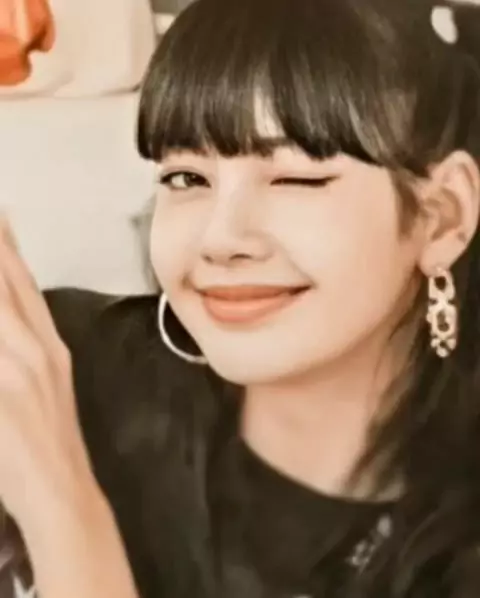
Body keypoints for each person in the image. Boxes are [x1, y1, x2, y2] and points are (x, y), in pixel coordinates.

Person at [2, 0, 480, 596]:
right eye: (187, 178)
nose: (220, 239)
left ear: (442, 217)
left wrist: (61, 507)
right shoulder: (56, 362)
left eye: (295, 179)